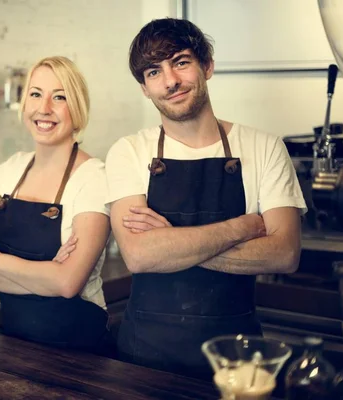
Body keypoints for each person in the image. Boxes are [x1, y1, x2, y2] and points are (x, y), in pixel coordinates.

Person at [105, 18, 307, 379]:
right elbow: (138, 255)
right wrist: (242, 226)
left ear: (207, 65)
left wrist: (169, 244)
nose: (170, 81)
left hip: (239, 359)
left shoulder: (264, 147)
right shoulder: (129, 151)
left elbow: (285, 253)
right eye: (154, 72)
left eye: (181, 62)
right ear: (145, 88)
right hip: (144, 358)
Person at [0, 56, 111, 352]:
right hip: (13, 344)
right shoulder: (8, 171)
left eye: (60, 97)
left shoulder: (93, 178)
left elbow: (68, 284)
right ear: (25, 104)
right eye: (36, 94)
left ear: (77, 108)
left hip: (80, 353)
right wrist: (46, 275)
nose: (44, 109)